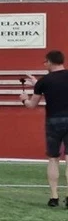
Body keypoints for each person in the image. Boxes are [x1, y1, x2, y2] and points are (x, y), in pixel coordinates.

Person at [21, 50, 68, 208]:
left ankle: (54, 197)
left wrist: (24, 99)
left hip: (53, 121)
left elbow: (31, 105)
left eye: (45, 62)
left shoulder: (44, 81)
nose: (44, 64)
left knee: (53, 159)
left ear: (50, 62)